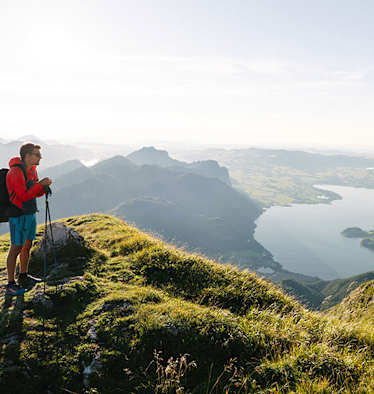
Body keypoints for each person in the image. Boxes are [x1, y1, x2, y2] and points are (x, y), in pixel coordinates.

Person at [5, 142, 52, 296]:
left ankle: (23, 276)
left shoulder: (32, 169)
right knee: (16, 247)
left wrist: (43, 188)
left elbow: (33, 193)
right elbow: (22, 196)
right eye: (37, 154)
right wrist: (40, 185)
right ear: (27, 155)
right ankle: (11, 283)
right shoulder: (15, 172)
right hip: (17, 214)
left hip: (30, 212)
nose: (40, 157)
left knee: (27, 244)